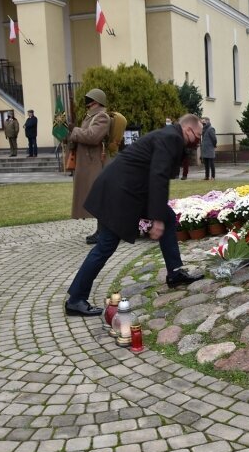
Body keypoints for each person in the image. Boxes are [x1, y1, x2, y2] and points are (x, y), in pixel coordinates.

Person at [65, 114, 206, 316]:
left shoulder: (170, 136)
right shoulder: (172, 138)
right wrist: (155, 219)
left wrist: (159, 214)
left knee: (167, 215)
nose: (198, 140)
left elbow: (153, 174)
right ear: (188, 130)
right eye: (198, 135)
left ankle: (175, 272)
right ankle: (76, 299)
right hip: (118, 193)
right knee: (106, 245)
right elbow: (158, 176)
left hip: (126, 190)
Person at [69, 88, 110, 245]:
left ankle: (104, 232)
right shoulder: (90, 117)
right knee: (96, 198)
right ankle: (100, 231)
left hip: (95, 164)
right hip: (88, 163)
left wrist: (75, 131)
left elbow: (93, 137)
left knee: (100, 198)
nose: (87, 102)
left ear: (96, 101)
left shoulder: (102, 117)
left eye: (89, 99)